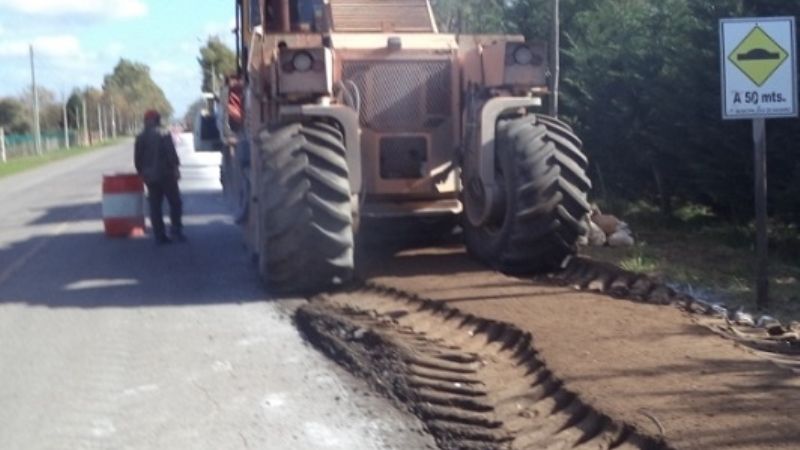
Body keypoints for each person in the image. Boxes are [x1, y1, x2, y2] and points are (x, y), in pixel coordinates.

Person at [134, 110, 185, 245]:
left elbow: (137, 159)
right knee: (175, 202)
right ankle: (176, 229)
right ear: (157, 120)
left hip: (150, 177)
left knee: (155, 206)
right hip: (166, 175)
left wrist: (141, 173)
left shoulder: (140, 137)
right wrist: (175, 168)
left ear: (145, 121)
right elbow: (171, 153)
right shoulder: (164, 134)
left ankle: (159, 235)